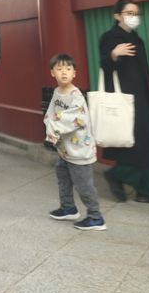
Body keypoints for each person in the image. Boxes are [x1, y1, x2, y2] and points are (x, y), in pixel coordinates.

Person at [99, 0, 149, 205]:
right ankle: (119, 175)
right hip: (126, 102)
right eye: (129, 13)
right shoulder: (111, 37)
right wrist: (113, 54)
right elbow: (105, 65)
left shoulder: (136, 39)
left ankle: (147, 191)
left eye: (136, 13)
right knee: (142, 145)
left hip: (143, 101)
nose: (134, 17)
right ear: (117, 16)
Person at [44, 53, 106, 230]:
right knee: (62, 176)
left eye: (68, 69)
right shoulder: (57, 92)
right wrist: (51, 125)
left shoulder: (76, 95)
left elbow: (75, 118)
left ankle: (96, 216)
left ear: (74, 73)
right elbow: (50, 114)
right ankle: (68, 207)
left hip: (79, 149)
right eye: (60, 69)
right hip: (65, 148)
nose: (64, 72)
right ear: (52, 73)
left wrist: (54, 124)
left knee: (83, 184)